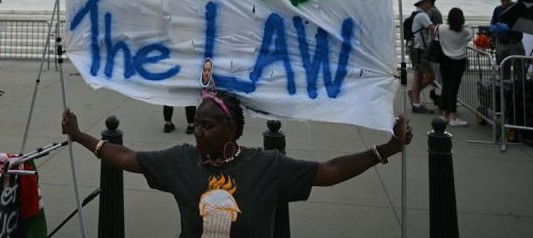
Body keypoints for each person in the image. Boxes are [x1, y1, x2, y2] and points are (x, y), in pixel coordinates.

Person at [62, 91, 412, 237]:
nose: (197, 131)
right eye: (196, 123)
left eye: (208, 126)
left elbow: (328, 172)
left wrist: (388, 148)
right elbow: (127, 158)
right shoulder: (181, 159)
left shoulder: (267, 166)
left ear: (231, 129)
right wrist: (79, 135)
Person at [435, 8, 474, 126]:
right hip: (459, 61)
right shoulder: (466, 31)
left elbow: (436, 34)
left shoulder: (441, 28)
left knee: (445, 86)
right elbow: (469, 31)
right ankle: (453, 117)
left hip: (444, 60)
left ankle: (445, 115)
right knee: (453, 89)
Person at [409, 0, 438, 114]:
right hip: (420, 50)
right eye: (429, 2)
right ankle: (414, 95)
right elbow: (434, 28)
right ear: (423, 3)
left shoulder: (416, 14)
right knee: (431, 76)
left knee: (418, 75)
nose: (431, 5)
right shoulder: (422, 15)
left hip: (415, 49)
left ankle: (416, 103)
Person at [490, 0, 524, 79]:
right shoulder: (497, 10)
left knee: (519, 72)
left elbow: (521, 25)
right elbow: (492, 27)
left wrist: (504, 27)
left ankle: (520, 91)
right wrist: (506, 28)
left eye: (507, 1)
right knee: (503, 74)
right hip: (501, 45)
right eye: (503, 1)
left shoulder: (517, 8)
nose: (504, 3)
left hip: (515, 44)